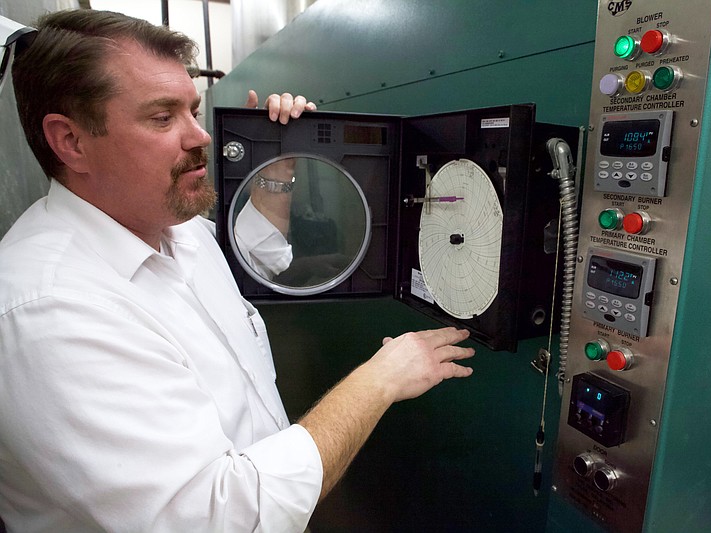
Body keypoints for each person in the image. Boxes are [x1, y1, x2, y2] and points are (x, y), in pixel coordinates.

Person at [0, 9, 474, 533]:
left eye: (193, 111)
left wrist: (276, 168)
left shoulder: (180, 232)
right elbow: (224, 520)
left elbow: (264, 257)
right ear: (70, 141)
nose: (199, 137)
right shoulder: (53, 312)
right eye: (162, 118)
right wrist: (379, 381)